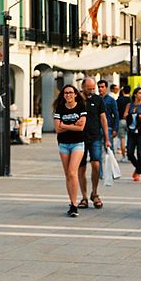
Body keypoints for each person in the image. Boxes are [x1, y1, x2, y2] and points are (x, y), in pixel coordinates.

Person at [54, 84, 87, 217]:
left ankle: (74, 205)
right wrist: (73, 124)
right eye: (66, 93)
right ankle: (72, 202)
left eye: (70, 92)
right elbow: (57, 129)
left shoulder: (81, 107)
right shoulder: (60, 108)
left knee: (73, 172)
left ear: (75, 94)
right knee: (68, 175)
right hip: (63, 144)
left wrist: (65, 125)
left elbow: (81, 128)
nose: (68, 95)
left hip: (77, 144)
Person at [77, 77, 110, 209]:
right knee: (81, 167)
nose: (91, 91)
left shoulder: (98, 100)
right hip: (79, 137)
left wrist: (107, 138)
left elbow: (103, 119)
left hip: (95, 136)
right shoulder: (77, 99)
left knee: (96, 164)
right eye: (88, 88)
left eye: (93, 88)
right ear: (82, 87)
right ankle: (84, 196)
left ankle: (94, 193)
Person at [123, 87, 141, 181]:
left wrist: (139, 116)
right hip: (131, 131)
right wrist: (131, 115)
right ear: (135, 94)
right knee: (130, 153)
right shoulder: (129, 105)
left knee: (140, 154)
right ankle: (138, 168)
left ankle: (137, 172)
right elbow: (124, 115)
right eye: (140, 93)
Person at [101, 80, 119, 153]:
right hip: (97, 127)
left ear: (106, 88)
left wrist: (115, 129)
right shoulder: (96, 99)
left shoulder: (111, 100)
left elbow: (116, 115)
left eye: (102, 87)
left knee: (109, 149)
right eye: (99, 87)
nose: (100, 89)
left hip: (108, 126)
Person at [116, 85, 131, 160]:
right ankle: (129, 155)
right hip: (130, 121)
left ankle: (123, 156)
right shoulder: (131, 100)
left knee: (122, 139)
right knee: (130, 139)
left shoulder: (119, 100)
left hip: (121, 120)